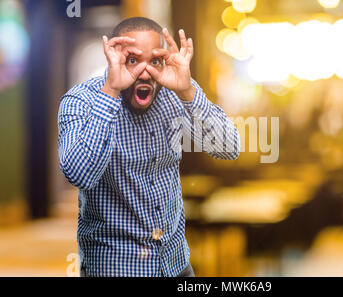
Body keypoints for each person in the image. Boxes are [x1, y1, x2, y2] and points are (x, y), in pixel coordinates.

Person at [57, 17, 240, 277]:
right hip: (115, 269)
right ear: (113, 58)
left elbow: (229, 147)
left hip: (175, 267)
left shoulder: (174, 92)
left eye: (154, 61)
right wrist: (111, 91)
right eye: (132, 60)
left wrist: (188, 91)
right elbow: (80, 175)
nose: (145, 72)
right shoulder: (81, 101)